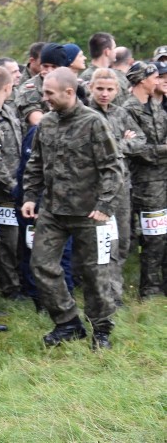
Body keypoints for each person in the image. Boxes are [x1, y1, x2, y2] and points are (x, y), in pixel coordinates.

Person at [21, 68, 123, 349]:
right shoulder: (46, 124)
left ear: (69, 92)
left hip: (89, 212)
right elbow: (36, 164)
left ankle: (101, 329)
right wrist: (30, 196)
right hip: (53, 211)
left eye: (49, 94)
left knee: (94, 273)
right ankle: (67, 323)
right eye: (44, 93)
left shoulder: (93, 122)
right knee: (40, 265)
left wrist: (105, 205)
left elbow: (113, 168)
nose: (45, 99)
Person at [88, 68, 144, 304]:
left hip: (121, 187)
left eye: (110, 89)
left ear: (117, 91)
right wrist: (121, 142)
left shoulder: (121, 114)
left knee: (121, 240)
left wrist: (116, 146)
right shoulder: (85, 114)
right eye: (100, 89)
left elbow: (140, 141)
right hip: (93, 188)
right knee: (100, 242)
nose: (104, 94)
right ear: (91, 88)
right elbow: (87, 149)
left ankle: (115, 289)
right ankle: (99, 291)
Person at [121, 62, 167, 298]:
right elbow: (137, 149)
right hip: (146, 183)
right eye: (154, 77)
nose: (158, 80)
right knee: (153, 236)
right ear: (142, 80)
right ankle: (149, 287)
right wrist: (163, 150)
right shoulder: (127, 110)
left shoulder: (156, 107)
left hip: (164, 178)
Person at [0, 68, 26, 301]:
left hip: (12, 187)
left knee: (11, 240)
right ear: (8, 87)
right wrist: (11, 184)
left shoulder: (9, 110)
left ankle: (11, 287)